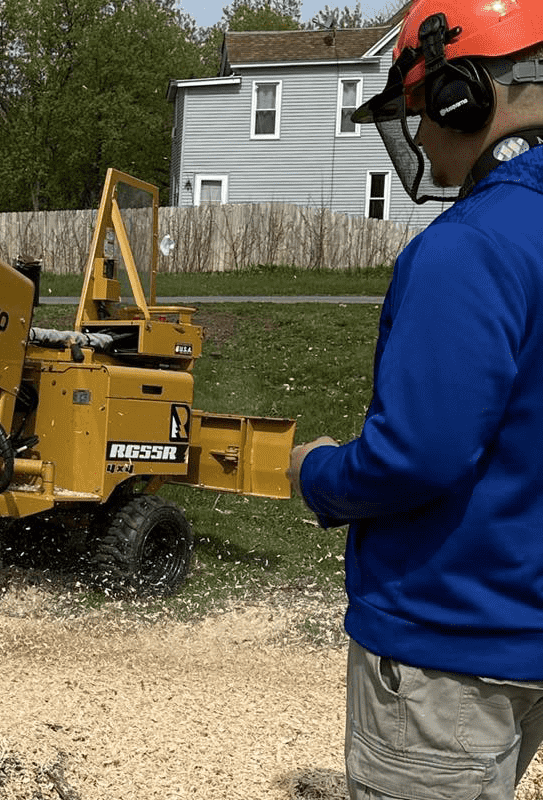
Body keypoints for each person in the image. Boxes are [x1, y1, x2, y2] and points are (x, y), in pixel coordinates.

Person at [288, 0, 543, 798]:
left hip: (449, 647)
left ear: (463, 95)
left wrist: (318, 475)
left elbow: (420, 454)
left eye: (420, 109)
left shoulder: (470, 247)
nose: (421, 137)